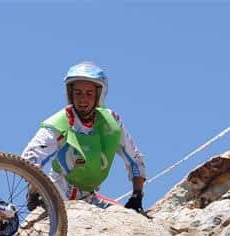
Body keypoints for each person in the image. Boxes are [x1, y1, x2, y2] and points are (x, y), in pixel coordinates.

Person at [22, 62, 147, 213]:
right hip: (59, 194)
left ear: (98, 95)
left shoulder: (111, 122)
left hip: (90, 198)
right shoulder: (60, 123)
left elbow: (135, 159)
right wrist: (34, 187)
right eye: (78, 93)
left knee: (128, 217)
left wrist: (137, 196)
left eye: (89, 94)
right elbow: (32, 155)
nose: (83, 100)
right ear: (70, 94)